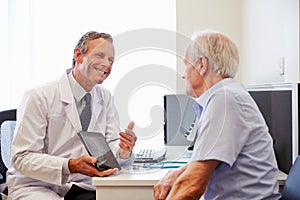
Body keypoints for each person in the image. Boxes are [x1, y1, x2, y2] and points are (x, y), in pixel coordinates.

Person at [7, 31, 137, 200]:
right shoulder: (39, 96)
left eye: (111, 60)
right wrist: (70, 165)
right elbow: (22, 158)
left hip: (82, 184)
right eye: (100, 55)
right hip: (37, 185)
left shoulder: (105, 97)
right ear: (78, 55)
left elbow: (109, 145)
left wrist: (123, 150)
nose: (107, 64)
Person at [154, 30, 281, 200]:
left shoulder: (224, 99)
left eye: (186, 64)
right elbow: (204, 162)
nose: (183, 74)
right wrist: (176, 174)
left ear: (201, 64)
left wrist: (182, 179)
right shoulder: (227, 95)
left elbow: (193, 185)